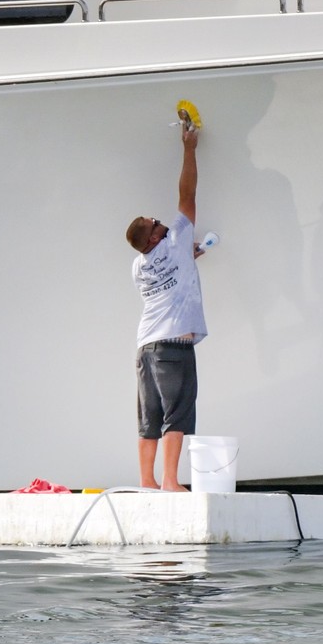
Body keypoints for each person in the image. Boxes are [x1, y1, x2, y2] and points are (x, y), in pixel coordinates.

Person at [123, 117, 206, 491]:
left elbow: (168, 277)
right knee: (177, 412)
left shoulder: (139, 264)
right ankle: (171, 482)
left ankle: (147, 481)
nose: (162, 220)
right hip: (174, 345)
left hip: (145, 346)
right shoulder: (173, 244)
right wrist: (188, 149)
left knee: (149, 416)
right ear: (155, 236)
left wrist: (186, 261)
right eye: (156, 221)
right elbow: (187, 196)